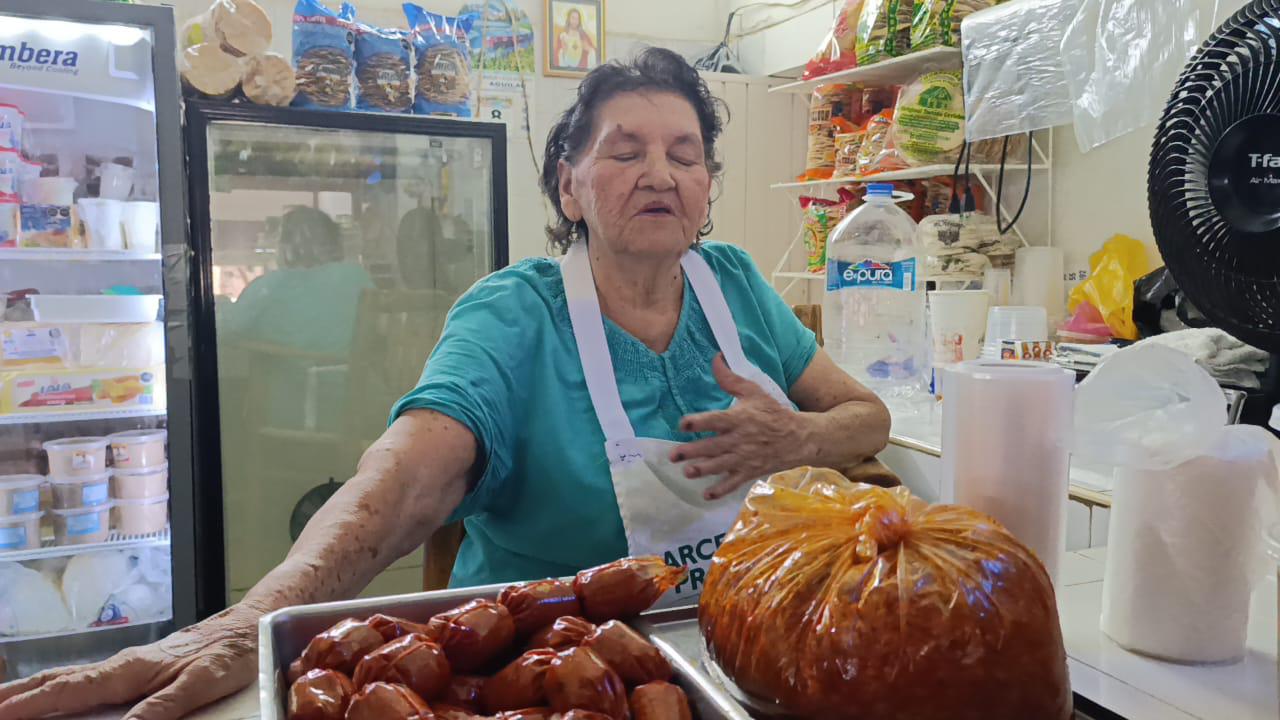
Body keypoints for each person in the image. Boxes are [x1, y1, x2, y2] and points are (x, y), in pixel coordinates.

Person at [0, 47, 889, 720]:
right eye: (625, 152)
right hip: (543, 676)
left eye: (685, 155)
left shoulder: (733, 284)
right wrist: (256, 621)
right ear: (568, 186)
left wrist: (799, 439)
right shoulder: (514, 314)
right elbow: (405, 479)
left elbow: (866, 416)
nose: (660, 173)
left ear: (706, 186)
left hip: (730, 654)